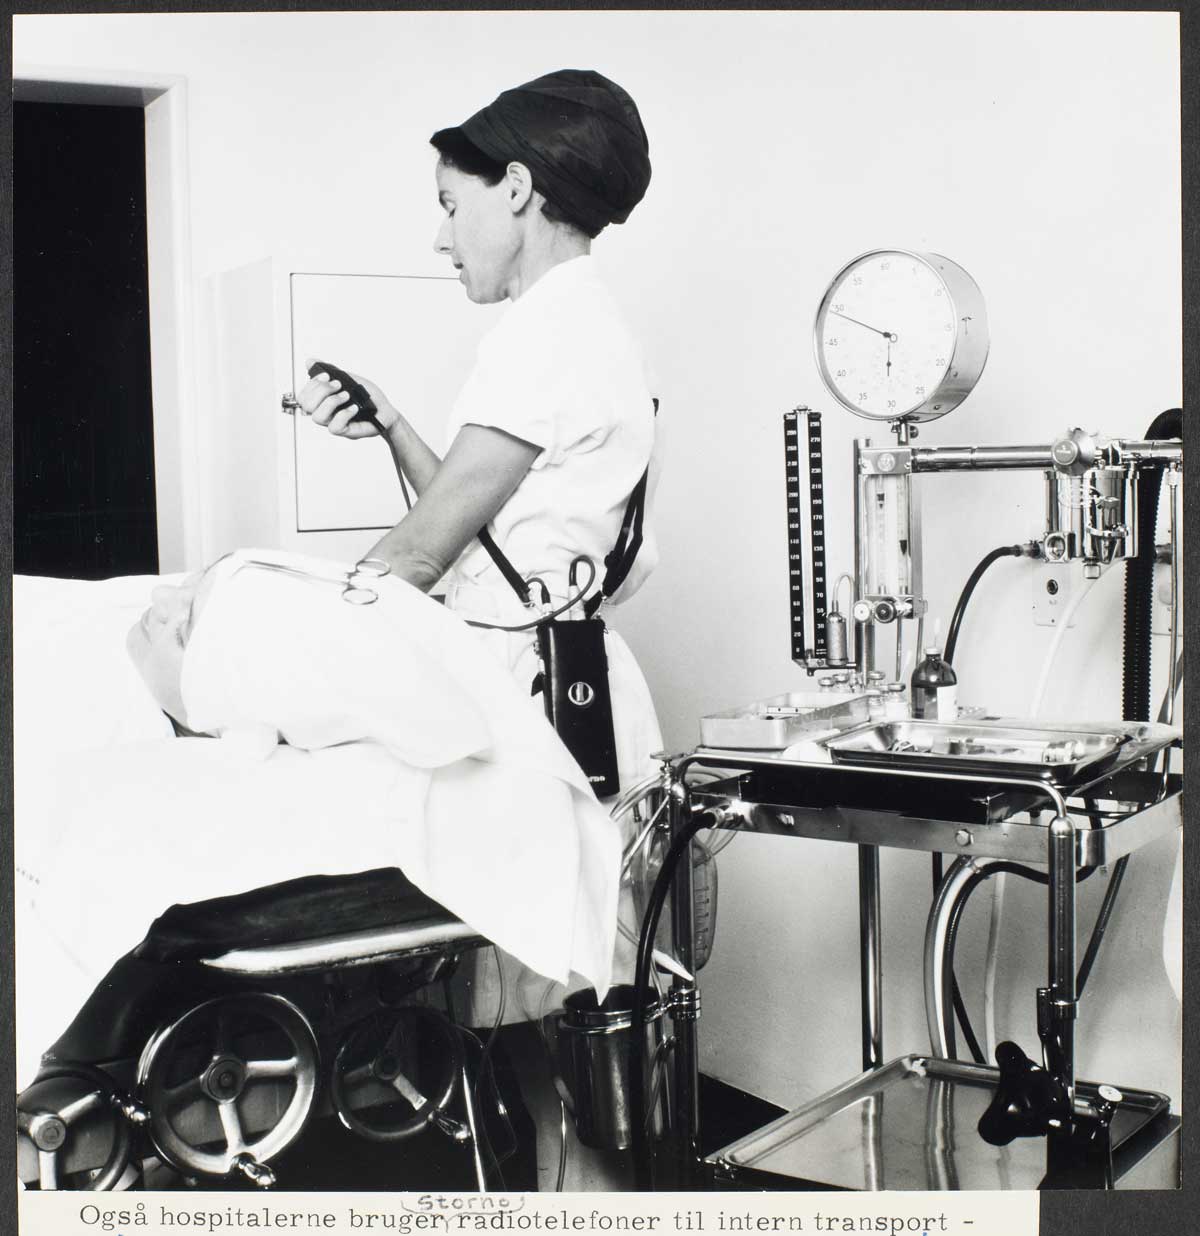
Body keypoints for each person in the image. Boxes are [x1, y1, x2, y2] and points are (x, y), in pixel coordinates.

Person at [294, 68, 662, 798]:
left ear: (518, 190)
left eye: (451, 205)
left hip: (532, 696)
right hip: (564, 671)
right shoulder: (584, 320)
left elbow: (422, 552)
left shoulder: (545, 334)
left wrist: (289, 644)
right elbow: (488, 530)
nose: (441, 237)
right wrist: (391, 423)